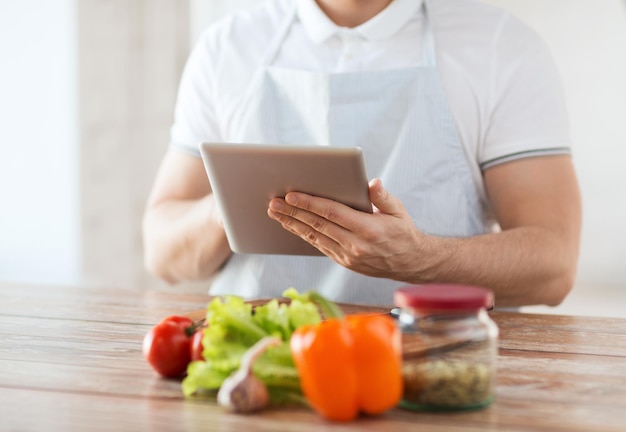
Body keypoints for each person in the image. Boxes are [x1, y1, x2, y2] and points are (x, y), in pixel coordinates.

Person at [142, 0, 582, 308]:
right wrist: (232, 204)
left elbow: (553, 265)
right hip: (256, 361)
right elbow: (163, 254)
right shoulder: (228, 47)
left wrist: (421, 259)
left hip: (434, 359)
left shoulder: (500, 47)